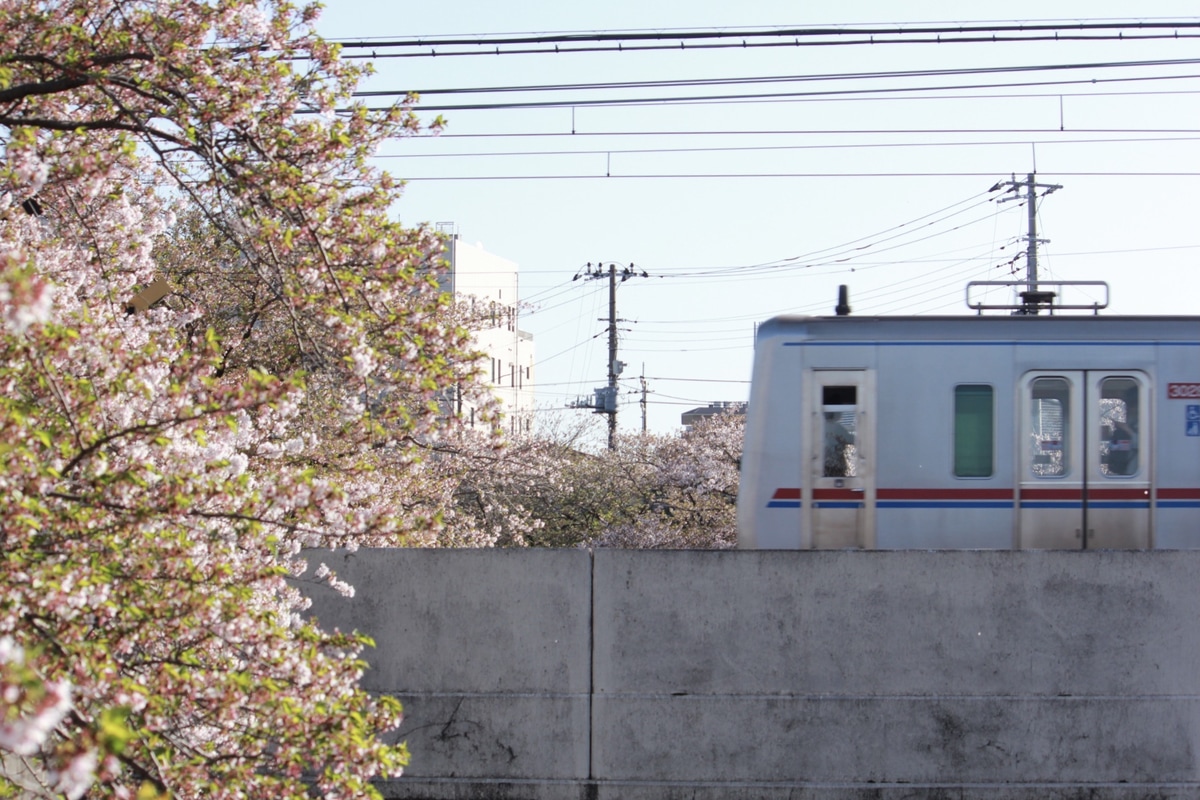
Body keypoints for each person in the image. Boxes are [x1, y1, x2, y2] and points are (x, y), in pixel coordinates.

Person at [823, 411, 854, 477]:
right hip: (837, 464)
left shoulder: (818, 428)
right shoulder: (837, 427)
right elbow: (851, 440)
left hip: (822, 464)